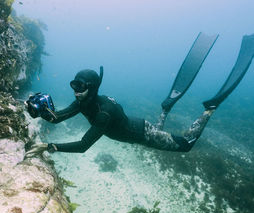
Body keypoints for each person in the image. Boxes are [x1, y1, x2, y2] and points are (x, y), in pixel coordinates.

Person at [24, 34, 254, 158]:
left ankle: (210, 108)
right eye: (73, 84)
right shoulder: (83, 101)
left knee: (186, 145)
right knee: (159, 128)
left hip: (144, 134)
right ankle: (165, 109)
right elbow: (57, 117)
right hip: (136, 126)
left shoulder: (104, 112)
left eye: (81, 86)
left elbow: (84, 145)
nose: (75, 90)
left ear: (92, 88)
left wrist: (49, 146)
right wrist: (37, 109)